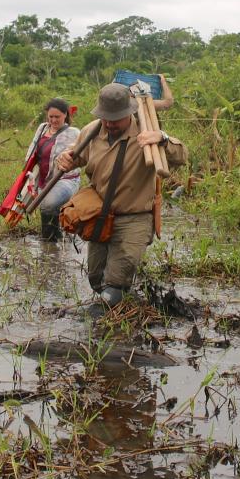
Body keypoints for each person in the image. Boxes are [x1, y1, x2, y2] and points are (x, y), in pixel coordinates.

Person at [55, 82, 186, 309]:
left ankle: (111, 315)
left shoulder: (146, 135)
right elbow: (76, 156)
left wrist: (163, 139)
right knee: (96, 280)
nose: (109, 123)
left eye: (115, 119)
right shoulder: (92, 131)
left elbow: (182, 155)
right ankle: (127, 299)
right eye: (106, 117)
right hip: (99, 215)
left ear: (129, 113)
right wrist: (66, 158)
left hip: (135, 216)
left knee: (116, 282)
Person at [24, 98, 80, 241]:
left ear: (65, 115)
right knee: (49, 209)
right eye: (51, 117)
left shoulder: (74, 133)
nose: (54, 120)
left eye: (57, 117)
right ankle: (55, 241)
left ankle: (47, 242)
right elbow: (32, 150)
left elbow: (81, 157)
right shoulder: (42, 128)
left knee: (47, 204)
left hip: (65, 180)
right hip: (43, 179)